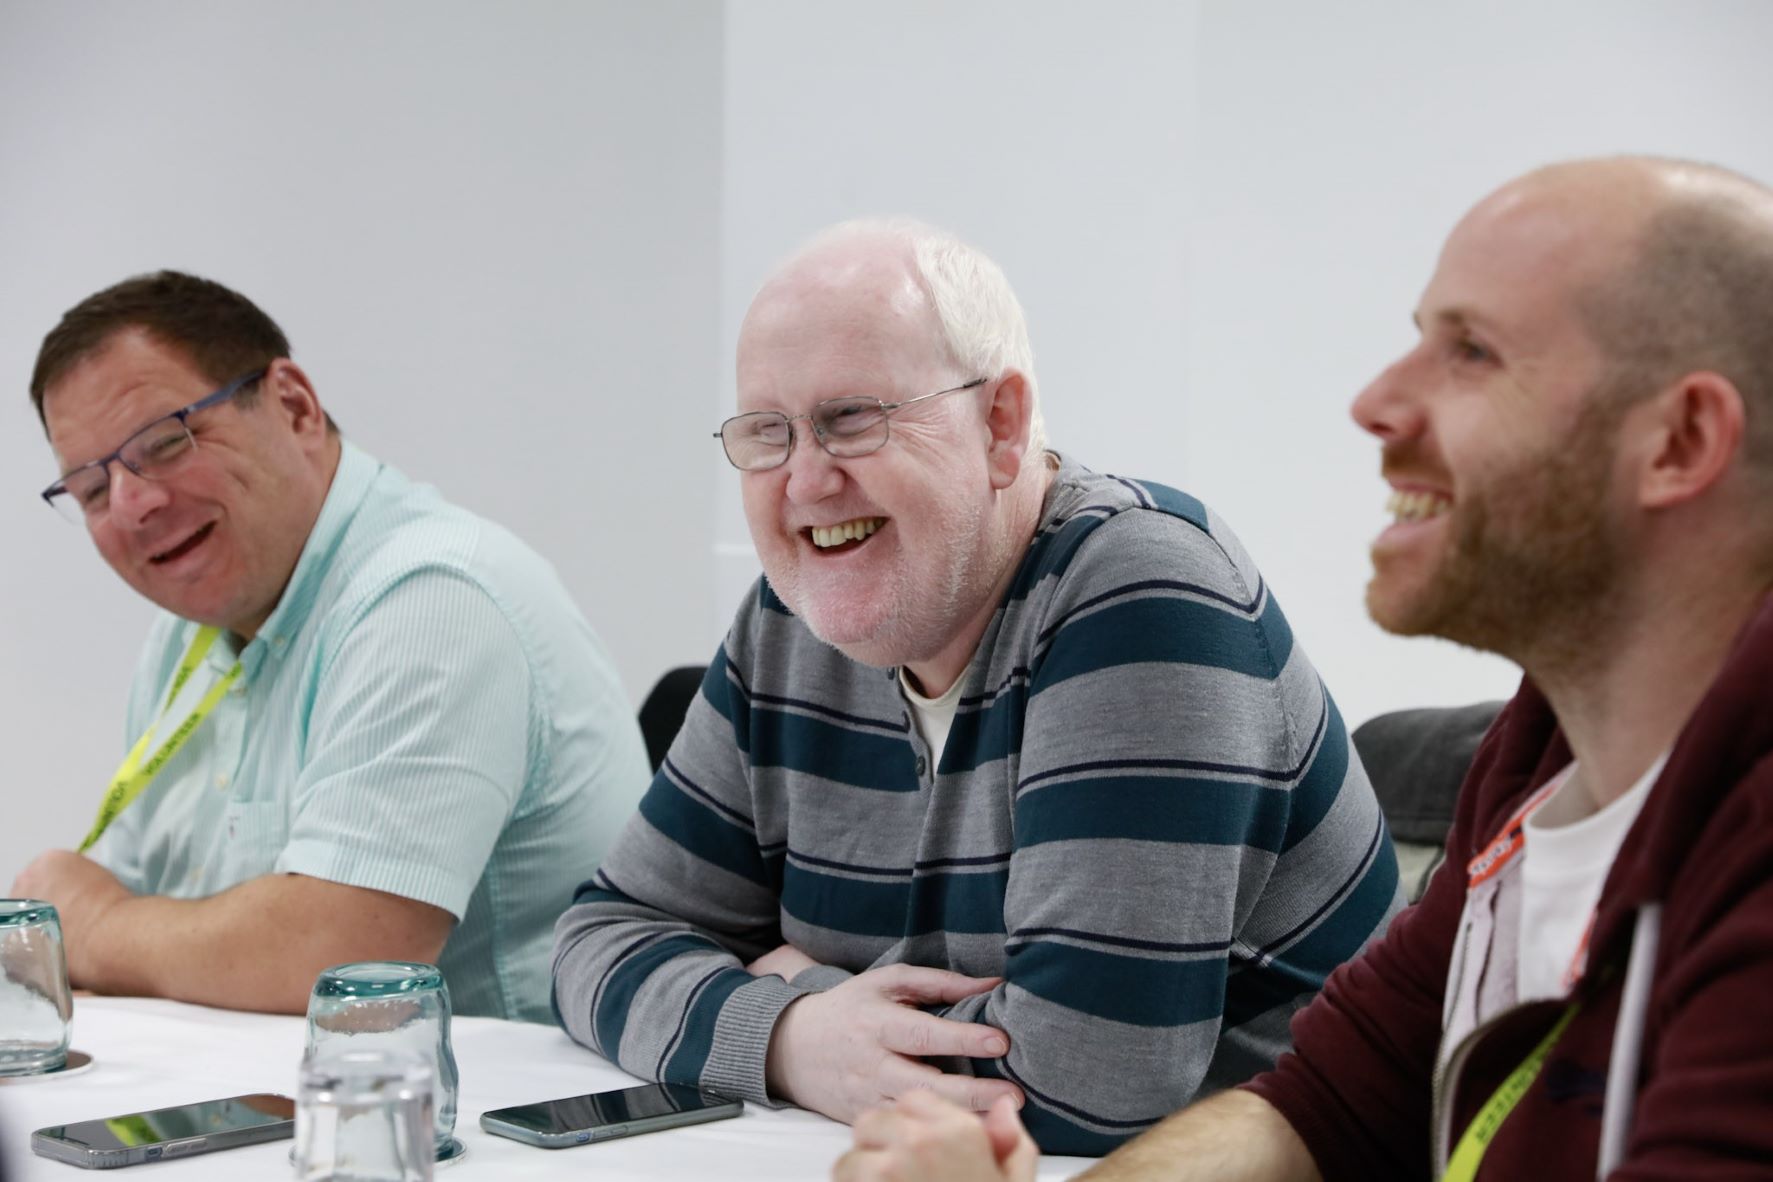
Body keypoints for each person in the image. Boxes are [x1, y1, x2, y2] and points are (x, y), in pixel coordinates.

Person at [832, 155, 1773, 1181]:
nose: (1374, 401)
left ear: (1679, 441)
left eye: (1471, 352)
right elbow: (1322, 1107)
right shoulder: (1544, 751)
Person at [551, 220, 1400, 1155]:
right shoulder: (794, 619)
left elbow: (1082, 1092)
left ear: (1000, 425)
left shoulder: (1146, 590)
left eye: (851, 419)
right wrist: (792, 1037)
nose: (805, 479)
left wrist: (799, 984)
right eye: (767, 433)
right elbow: (598, 940)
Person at [11, 271, 649, 1023]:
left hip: (491, 1119)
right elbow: (123, 949)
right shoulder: (183, 643)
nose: (133, 504)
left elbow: (337, 960)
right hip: (276, 1104)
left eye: (163, 442)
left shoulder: (433, 594)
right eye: (90, 490)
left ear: (293, 405)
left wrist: (90, 925)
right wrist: (98, 934)